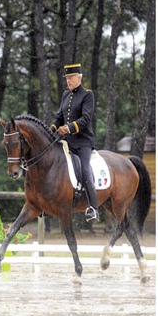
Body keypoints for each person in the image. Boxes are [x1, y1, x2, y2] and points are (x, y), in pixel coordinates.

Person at [50, 63, 98, 222]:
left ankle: (93, 207)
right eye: (66, 78)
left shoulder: (87, 95)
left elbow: (85, 119)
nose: (68, 81)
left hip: (83, 142)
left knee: (84, 170)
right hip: (67, 142)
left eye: (71, 78)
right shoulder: (65, 95)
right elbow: (59, 117)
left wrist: (69, 128)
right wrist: (51, 128)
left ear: (79, 77)